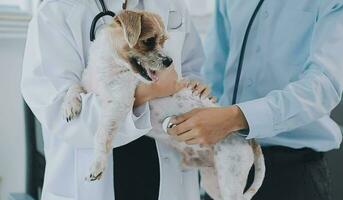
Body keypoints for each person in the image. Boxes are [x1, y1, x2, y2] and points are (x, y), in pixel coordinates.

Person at [167, 0, 343, 200]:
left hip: (292, 173)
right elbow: (213, 71)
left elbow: (323, 86)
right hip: (224, 164)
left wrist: (235, 118)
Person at [21, 0, 207, 200]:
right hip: (94, 183)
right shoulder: (54, 11)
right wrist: (146, 92)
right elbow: (62, 115)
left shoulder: (171, 5)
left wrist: (194, 87)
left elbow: (193, 70)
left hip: (167, 176)